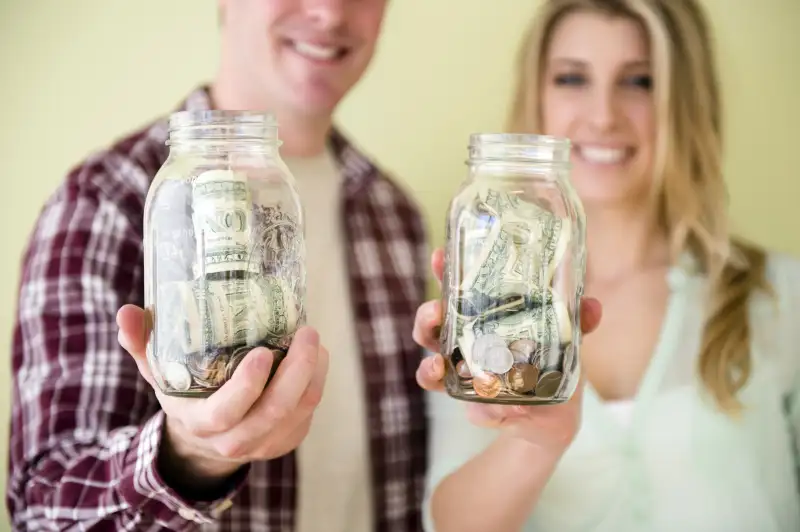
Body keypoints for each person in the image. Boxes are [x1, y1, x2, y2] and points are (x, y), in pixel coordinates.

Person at [6, 1, 431, 531]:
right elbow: (44, 511)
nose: (329, 12)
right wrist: (190, 460)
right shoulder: (107, 200)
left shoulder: (395, 213)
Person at [412, 0, 800, 531]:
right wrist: (538, 441)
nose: (602, 115)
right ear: (538, 96)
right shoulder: (484, 308)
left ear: (686, 101)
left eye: (639, 81)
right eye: (573, 78)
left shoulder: (781, 294)